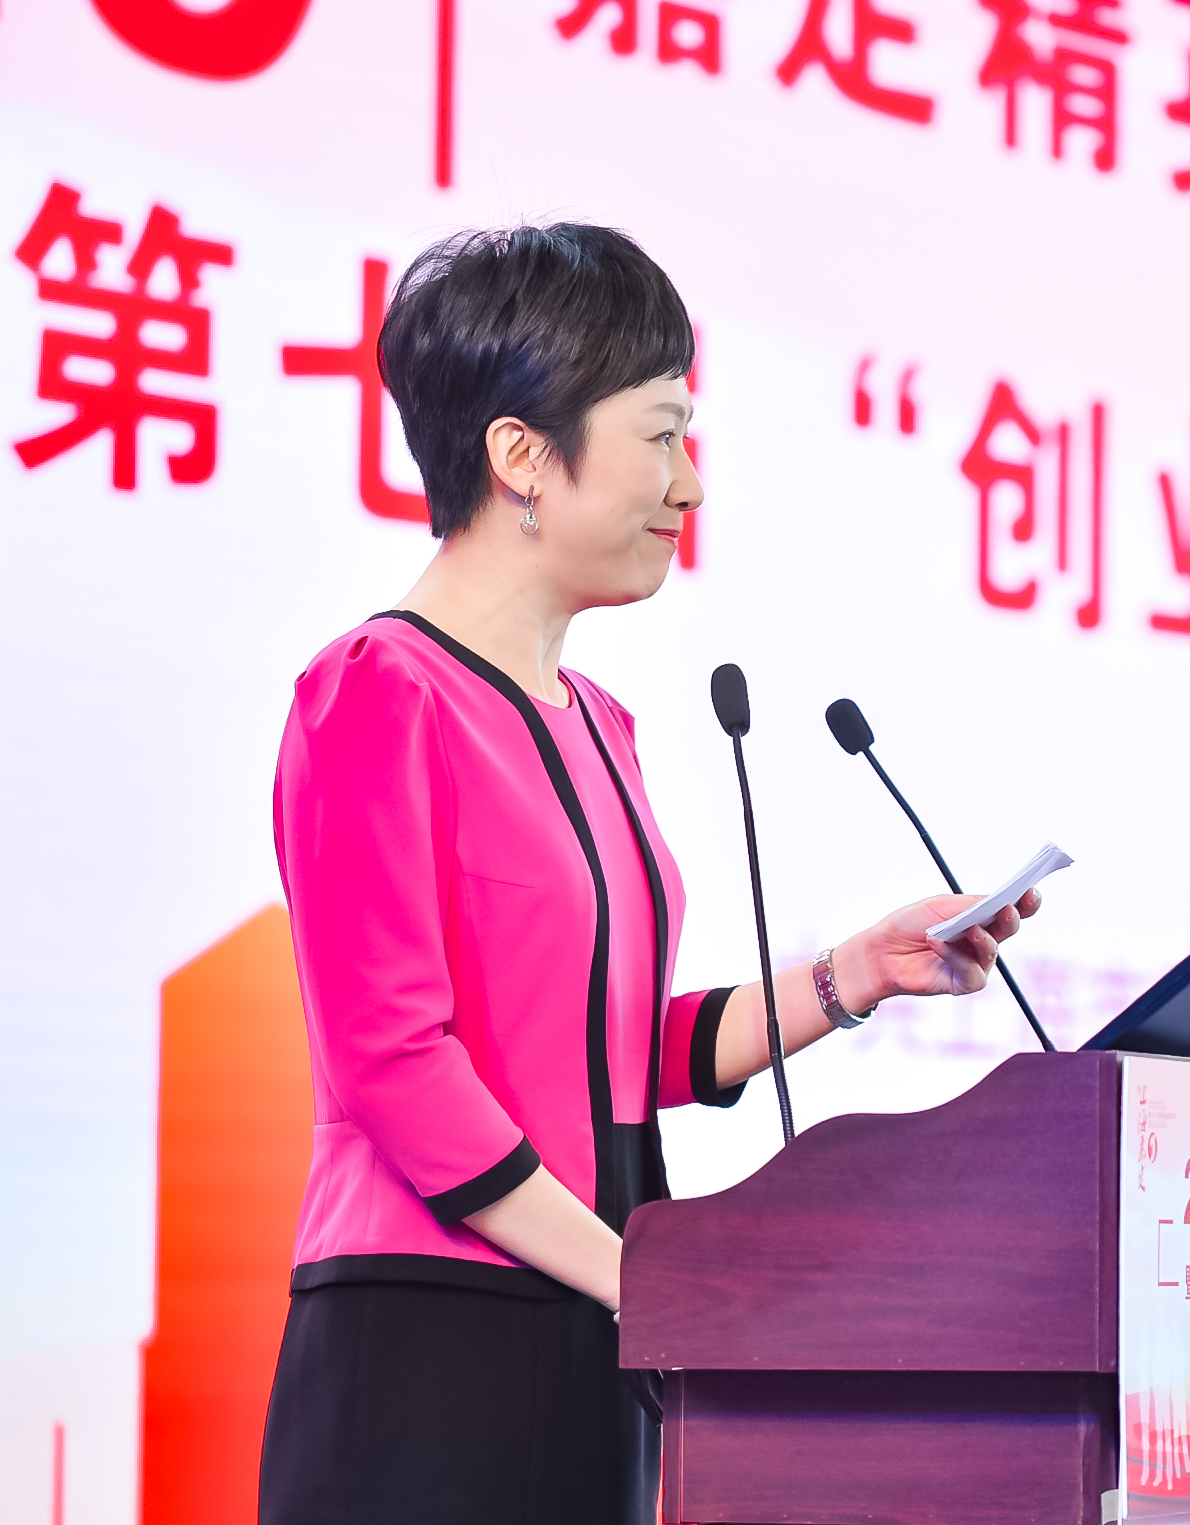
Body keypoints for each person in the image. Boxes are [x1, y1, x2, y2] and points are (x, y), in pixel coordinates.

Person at [258, 224, 1037, 1525]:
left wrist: (857, 974)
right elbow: (391, 1060)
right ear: (521, 455)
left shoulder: (600, 725)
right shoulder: (376, 694)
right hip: (431, 1333)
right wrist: (639, 1279)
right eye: (663, 435)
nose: (692, 483)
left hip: (601, 1324)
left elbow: (609, 1050)